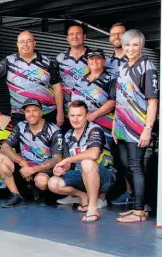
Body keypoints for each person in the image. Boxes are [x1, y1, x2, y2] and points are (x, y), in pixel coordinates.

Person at [112, 29, 159, 223]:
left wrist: (148, 129)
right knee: (126, 165)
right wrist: (115, 124)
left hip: (138, 125)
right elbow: (119, 99)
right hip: (122, 125)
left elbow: (153, 101)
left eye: (135, 45)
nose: (130, 48)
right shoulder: (123, 67)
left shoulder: (147, 67)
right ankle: (138, 205)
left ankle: (139, 211)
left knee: (136, 166)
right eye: (127, 44)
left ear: (142, 46)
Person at [48, 100, 116, 222]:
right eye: (72, 116)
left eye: (79, 115)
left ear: (86, 116)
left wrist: (67, 159)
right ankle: (82, 196)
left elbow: (94, 153)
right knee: (52, 183)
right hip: (81, 175)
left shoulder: (94, 129)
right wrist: (62, 168)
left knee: (87, 162)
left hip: (105, 177)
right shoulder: (68, 135)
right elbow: (69, 164)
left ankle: (92, 207)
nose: (75, 119)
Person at [0, 98, 63, 208]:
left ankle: (45, 196)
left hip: (44, 169)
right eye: (28, 111)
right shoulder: (20, 126)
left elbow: (57, 159)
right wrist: (22, 161)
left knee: (41, 181)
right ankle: (16, 196)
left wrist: (33, 169)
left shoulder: (54, 130)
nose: (31, 114)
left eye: (34, 110)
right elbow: (4, 147)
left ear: (41, 113)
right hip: (25, 168)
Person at [69, 49, 116, 209]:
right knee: (81, 159)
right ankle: (81, 195)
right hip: (82, 128)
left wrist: (93, 115)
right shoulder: (81, 79)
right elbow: (72, 100)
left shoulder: (110, 78)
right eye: (91, 59)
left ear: (103, 61)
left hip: (104, 128)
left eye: (98, 58)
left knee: (102, 160)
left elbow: (112, 102)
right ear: (87, 62)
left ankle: (101, 198)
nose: (94, 61)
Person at [54, 23, 91, 205]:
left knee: (88, 150)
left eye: (78, 33)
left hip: (88, 113)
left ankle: (94, 191)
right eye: (71, 34)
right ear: (67, 38)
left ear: (85, 36)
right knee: (68, 149)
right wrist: (61, 112)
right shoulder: (60, 58)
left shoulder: (93, 57)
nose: (75, 36)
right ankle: (73, 191)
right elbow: (56, 86)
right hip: (68, 112)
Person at [106, 22, 134, 206]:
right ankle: (126, 192)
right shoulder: (105, 61)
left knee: (131, 160)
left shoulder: (134, 59)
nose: (116, 37)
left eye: (120, 34)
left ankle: (137, 196)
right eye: (113, 34)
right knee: (117, 158)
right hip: (109, 118)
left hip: (131, 116)